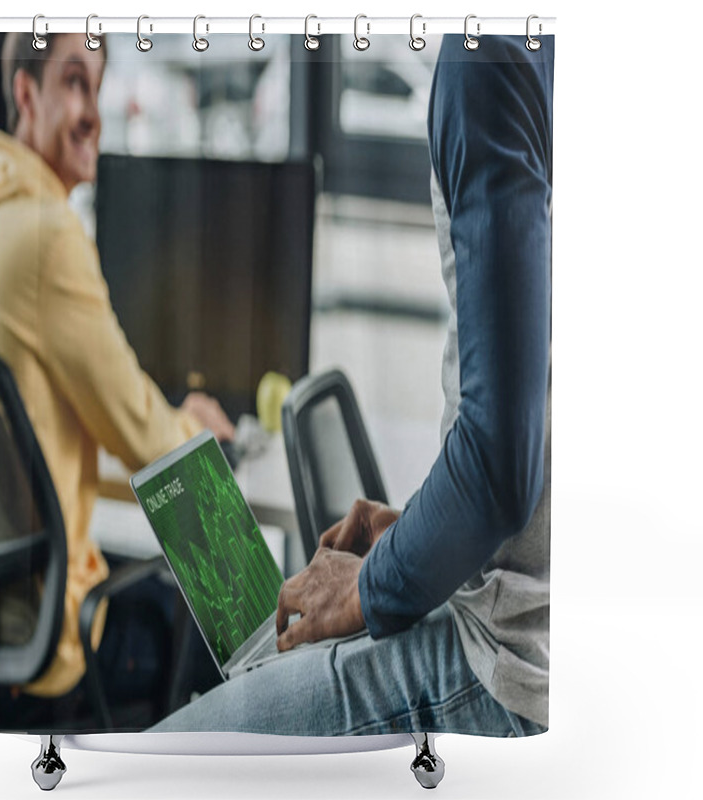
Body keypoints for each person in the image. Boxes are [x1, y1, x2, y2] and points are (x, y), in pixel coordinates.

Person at [149, 33, 552, 737]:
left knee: (162, 755)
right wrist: (427, 542)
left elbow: (497, 470)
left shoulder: (487, 59)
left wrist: (372, 582)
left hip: (508, 672)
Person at [0, 32, 233, 725]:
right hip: (60, 644)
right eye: (72, 82)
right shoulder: (49, 234)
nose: (91, 108)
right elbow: (147, 437)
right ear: (25, 93)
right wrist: (198, 432)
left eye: (96, 85)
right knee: (226, 623)